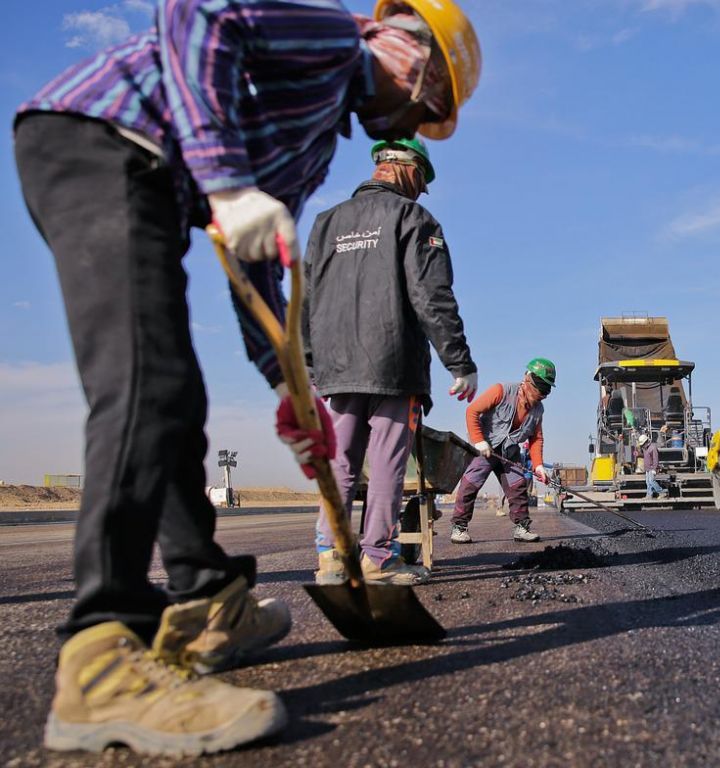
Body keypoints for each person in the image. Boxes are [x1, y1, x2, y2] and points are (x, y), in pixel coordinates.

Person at [13, 0, 480, 756]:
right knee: (144, 388)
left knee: (176, 401)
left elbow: (256, 257)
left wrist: (286, 383)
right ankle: (102, 658)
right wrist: (227, 183)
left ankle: (206, 599)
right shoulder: (332, 37)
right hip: (97, 139)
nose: (417, 119)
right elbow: (196, 14)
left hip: (149, 177)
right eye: (427, 105)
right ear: (410, 56)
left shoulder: (314, 145)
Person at [304, 137, 477, 586]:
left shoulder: (325, 224)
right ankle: (377, 558)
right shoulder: (413, 218)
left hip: (335, 368)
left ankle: (331, 557)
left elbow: (305, 299)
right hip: (393, 363)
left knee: (339, 460)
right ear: (408, 168)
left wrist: (309, 362)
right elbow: (432, 296)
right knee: (385, 463)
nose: (421, 191)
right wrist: (459, 362)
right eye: (422, 181)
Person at [451, 359, 556, 544]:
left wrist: (539, 466)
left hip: (509, 452)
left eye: (546, 390)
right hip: (485, 447)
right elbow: (472, 411)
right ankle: (459, 528)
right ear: (527, 379)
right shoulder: (501, 391)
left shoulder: (538, 410)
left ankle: (522, 528)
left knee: (518, 487)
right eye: (539, 388)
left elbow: (536, 438)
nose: (542, 394)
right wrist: (479, 441)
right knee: (470, 484)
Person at [639, 434, 666, 499]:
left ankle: (661, 492)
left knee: (652, 481)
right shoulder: (645, 448)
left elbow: (656, 459)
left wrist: (654, 468)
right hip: (647, 468)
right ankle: (649, 495)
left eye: (643, 444)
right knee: (648, 482)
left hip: (651, 468)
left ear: (646, 441)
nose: (642, 445)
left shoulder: (653, 447)